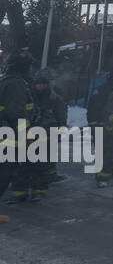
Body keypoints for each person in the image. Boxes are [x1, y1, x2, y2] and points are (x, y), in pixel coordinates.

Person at [0, 49, 41, 203]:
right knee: (4, 174)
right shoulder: (16, 84)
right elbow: (16, 113)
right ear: (23, 67)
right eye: (29, 66)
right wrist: (26, 135)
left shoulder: (10, 81)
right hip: (8, 137)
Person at [31, 68, 67, 190]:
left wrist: (61, 128)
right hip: (36, 131)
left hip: (50, 130)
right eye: (51, 80)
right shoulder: (32, 94)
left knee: (49, 155)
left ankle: (50, 175)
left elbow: (61, 112)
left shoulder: (55, 95)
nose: (53, 82)